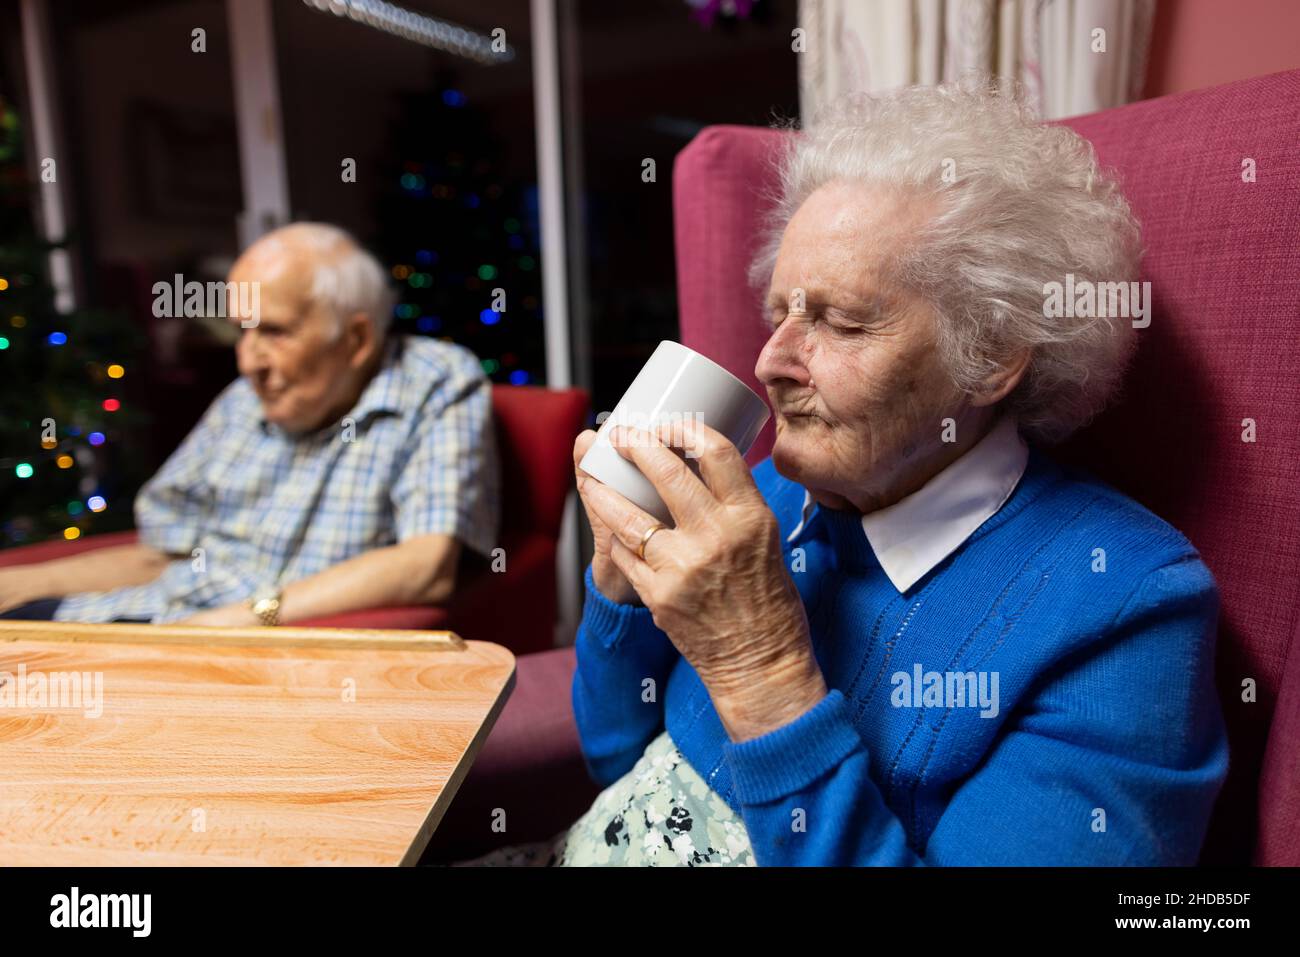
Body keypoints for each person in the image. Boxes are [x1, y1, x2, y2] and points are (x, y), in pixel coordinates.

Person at [462, 80, 1228, 866]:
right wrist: (619, 579)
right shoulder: (767, 495)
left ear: (992, 355)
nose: (769, 362)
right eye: (780, 314)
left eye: (841, 321)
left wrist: (756, 662)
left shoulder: (1125, 608)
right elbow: (615, 753)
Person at [0, 223, 499, 626]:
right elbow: (161, 554)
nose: (248, 363)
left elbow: (427, 566)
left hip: (234, 648)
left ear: (356, 340)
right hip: (137, 617)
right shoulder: (246, 398)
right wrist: (24, 583)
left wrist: (237, 622)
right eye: (243, 331)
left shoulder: (434, 380)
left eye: (275, 331)